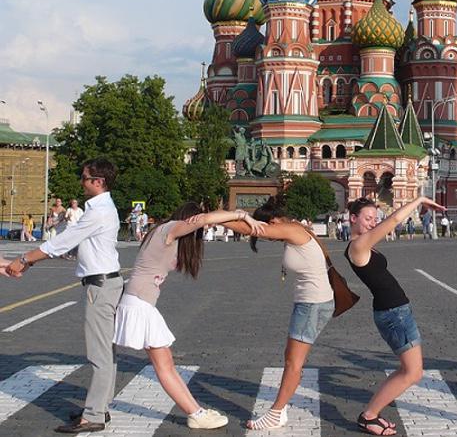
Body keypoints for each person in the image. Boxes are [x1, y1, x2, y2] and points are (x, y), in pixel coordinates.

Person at [114, 204, 265, 430]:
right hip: (138, 303)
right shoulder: (170, 229)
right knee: (164, 367)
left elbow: (206, 220)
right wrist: (242, 215)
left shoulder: (168, 233)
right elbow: (204, 219)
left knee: (166, 365)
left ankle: (196, 411)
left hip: (140, 301)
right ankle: (195, 413)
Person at [5, 158, 123, 433]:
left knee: (100, 353)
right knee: (106, 351)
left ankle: (94, 415)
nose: (80, 182)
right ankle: (99, 409)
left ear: (98, 182)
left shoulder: (99, 211)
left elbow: (60, 243)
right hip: (106, 284)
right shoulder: (101, 208)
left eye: (84, 177)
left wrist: (24, 259)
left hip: (100, 286)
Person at [220, 197, 335, 431]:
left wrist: (213, 218)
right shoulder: (295, 229)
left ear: (272, 222)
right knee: (292, 359)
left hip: (312, 304)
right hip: (312, 302)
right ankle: (280, 409)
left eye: (268, 228)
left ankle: (276, 413)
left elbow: (248, 227)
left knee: (293, 362)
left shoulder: (291, 229)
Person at [345, 196, 445, 435]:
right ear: (353, 218)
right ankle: (368, 416)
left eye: (374, 218)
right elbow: (394, 220)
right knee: (413, 372)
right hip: (393, 314)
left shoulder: (363, 243)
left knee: (407, 370)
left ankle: (372, 414)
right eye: (368, 218)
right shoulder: (358, 246)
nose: (372, 223)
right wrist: (419, 199)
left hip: (396, 311)